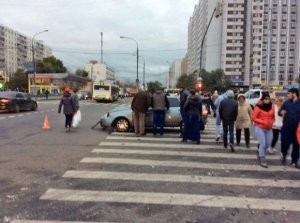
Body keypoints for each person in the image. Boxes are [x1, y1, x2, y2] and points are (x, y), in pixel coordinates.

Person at [252, 92, 275, 168]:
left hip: (269, 128)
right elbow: (254, 118)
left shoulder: (272, 106)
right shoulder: (258, 107)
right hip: (260, 127)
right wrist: (263, 122)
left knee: (268, 144)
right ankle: (262, 158)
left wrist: (272, 122)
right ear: (262, 99)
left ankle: (260, 150)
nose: (267, 100)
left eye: (268, 99)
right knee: (263, 144)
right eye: (265, 99)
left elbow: (274, 116)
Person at [279, 88, 300, 168]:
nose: (288, 95)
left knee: (296, 145)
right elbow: (279, 112)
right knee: (285, 143)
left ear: (294, 94)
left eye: (289, 93)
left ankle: (294, 161)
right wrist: (281, 112)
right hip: (286, 127)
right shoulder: (286, 103)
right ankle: (283, 154)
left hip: (297, 128)